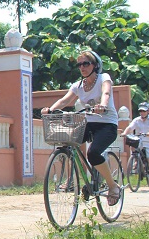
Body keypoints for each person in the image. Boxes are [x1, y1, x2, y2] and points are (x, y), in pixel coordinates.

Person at [40, 50, 121, 205]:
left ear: (95, 65)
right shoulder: (78, 86)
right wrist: (50, 110)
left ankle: (112, 186)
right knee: (68, 141)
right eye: (79, 65)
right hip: (88, 124)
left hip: (107, 125)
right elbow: (64, 101)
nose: (82, 67)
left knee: (93, 153)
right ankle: (81, 179)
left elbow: (106, 92)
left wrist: (103, 105)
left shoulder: (104, 78)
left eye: (86, 63)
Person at [120, 102, 149, 187]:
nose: (142, 113)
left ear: (148, 111)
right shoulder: (136, 120)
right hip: (139, 140)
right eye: (140, 111)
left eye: (144, 111)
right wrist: (124, 133)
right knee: (133, 148)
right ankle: (136, 160)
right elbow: (130, 127)